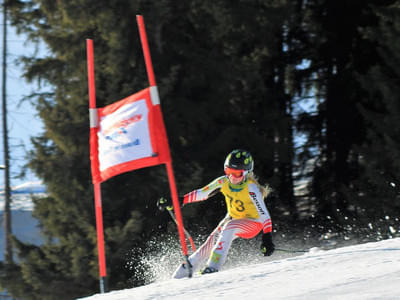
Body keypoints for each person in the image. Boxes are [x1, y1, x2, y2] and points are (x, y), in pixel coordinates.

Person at [159, 149, 275, 278]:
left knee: (229, 227)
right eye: (229, 172)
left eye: (237, 173)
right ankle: (182, 273)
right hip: (232, 218)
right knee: (210, 242)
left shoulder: (251, 188)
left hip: (254, 223)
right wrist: (179, 200)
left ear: (247, 173)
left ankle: (213, 267)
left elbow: (264, 215)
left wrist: (267, 237)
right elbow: (202, 193)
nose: (232, 177)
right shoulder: (223, 182)